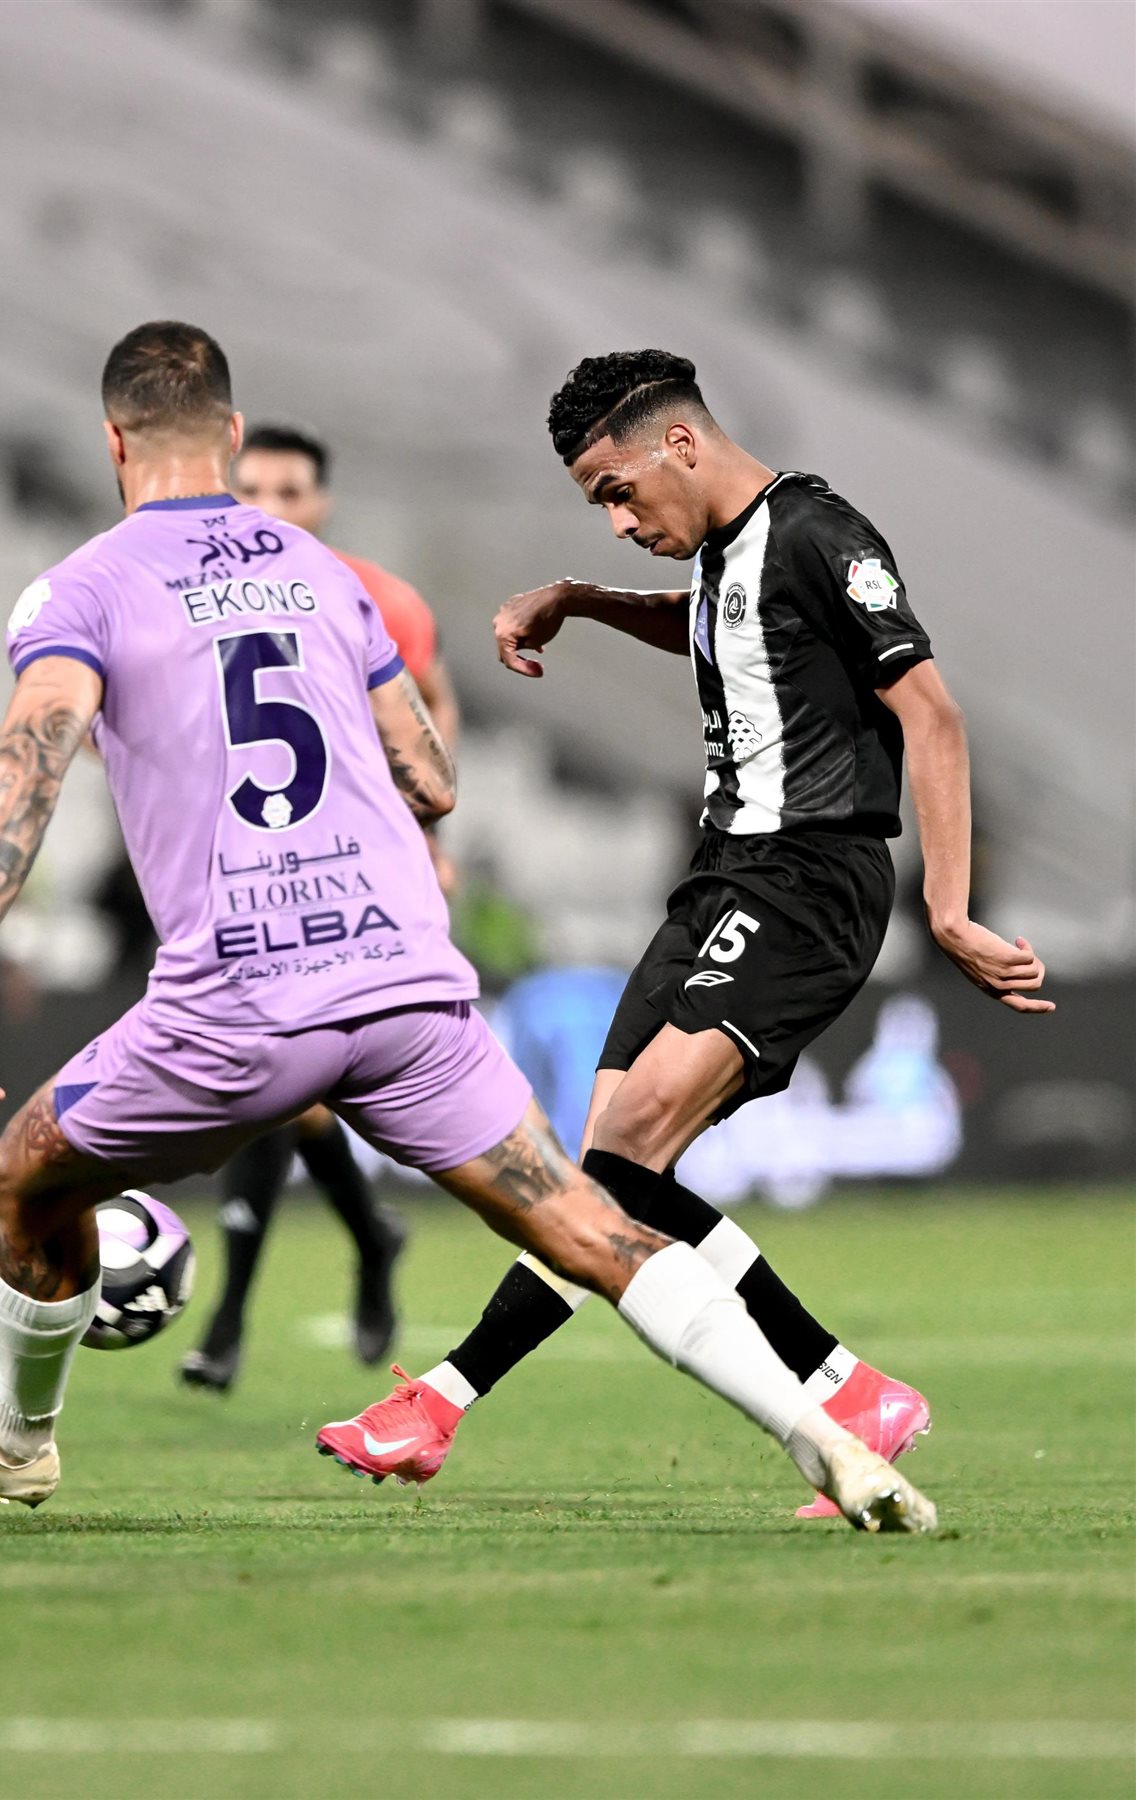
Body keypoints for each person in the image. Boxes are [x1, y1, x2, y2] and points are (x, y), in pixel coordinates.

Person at [0, 321, 934, 1533]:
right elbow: (430, 776)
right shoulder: (326, 578)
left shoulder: (84, 587)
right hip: (405, 991)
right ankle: (832, 1443)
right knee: (592, 1224)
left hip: (243, 1005)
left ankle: (13, 1436)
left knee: (22, 1177)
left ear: (114, 442)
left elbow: (28, 759)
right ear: (233, 436)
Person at [322, 347, 1049, 1516]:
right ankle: (846, 1387)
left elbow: (934, 714)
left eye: (617, 493)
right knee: (615, 1165)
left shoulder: (818, 531)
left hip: (808, 879)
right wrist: (584, 599)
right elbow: (722, 624)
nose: (618, 522)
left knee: (618, 1154)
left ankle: (443, 1401)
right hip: (721, 879)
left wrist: (950, 907)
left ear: (681, 443)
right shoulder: (726, 553)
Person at [179, 424, 464, 1392]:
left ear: (322, 502)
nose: (268, 508)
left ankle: (231, 1317)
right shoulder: (195, 599)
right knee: (284, 1086)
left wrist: (429, 834)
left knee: (288, 1082)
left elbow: (431, 704)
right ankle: (369, 1238)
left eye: (289, 491)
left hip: (355, 874)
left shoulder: (376, 597)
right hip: (245, 873)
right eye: (250, 489)